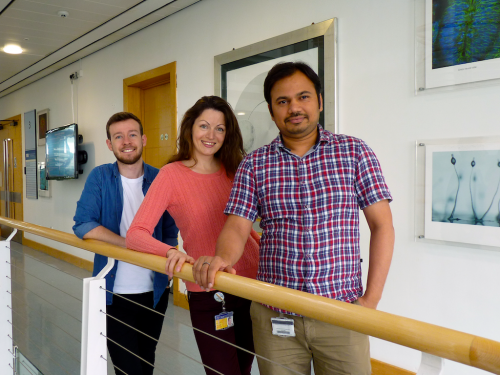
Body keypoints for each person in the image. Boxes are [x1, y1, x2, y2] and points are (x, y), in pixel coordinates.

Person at [193, 62, 395, 375]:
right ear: (273, 111)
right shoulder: (255, 164)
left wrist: (370, 301)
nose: (294, 108)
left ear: (319, 102)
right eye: (283, 101)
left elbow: (382, 226)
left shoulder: (354, 153)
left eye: (303, 97)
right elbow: (236, 226)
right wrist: (222, 258)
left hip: (342, 314)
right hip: (275, 314)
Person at [126, 96, 260, 375]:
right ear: (190, 129)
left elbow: (246, 230)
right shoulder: (171, 175)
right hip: (207, 287)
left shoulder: (237, 169)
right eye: (204, 126)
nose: (211, 135)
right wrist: (171, 252)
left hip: (253, 285)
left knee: (245, 369)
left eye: (220, 129)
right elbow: (135, 235)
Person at [73, 112, 178, 375]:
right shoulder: (100, 177)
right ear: (110, 144)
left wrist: (166, 268)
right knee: (127, 368)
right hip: (113, 293)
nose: (126, 141)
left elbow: (169, 232)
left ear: (143, 139)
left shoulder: (160, 178)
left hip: (154, 292)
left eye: (132, 134)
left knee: (146, 361)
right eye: (118, 136)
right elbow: (83, 224)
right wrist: (131, 243)